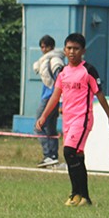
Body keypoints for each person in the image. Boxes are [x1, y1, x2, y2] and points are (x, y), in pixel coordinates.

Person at [35, 32, 109, 206]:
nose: (72, 52)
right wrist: (44, 116)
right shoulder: (64, 72)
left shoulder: (88, 70)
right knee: (78, 156)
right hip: (68, 120)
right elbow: (55, 95)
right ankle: (85, 198)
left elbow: (100, 94)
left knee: (68, 152)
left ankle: (75, 194)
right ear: (64, 50)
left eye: (76, 48)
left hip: (82, 119)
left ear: (83, 51)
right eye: (69, 48)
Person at [31, 34, 65, 167]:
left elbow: (61, 82)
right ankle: (53, 156)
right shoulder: (46, 61)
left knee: (38, 126)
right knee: (50, 128)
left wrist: (61, 102)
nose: (43, 50)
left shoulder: (55, 61)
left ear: (51, 47)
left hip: (50, 98)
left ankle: (48, 155)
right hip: (48, 96)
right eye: (42, 47)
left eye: (45, 47)